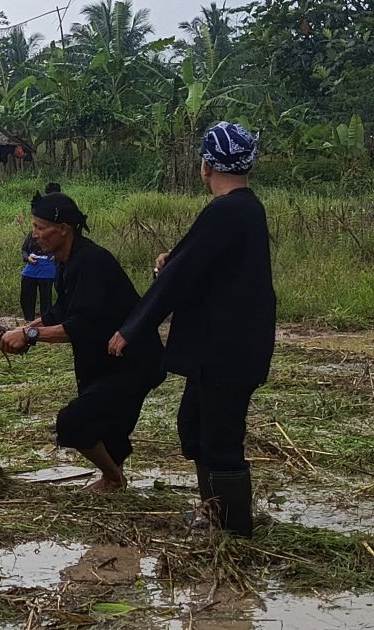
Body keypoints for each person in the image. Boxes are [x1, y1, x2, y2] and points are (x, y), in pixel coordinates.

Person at [107, 122, 275, 537]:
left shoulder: (226, 210)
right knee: (197, 424)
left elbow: (180, 276)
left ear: (205, 166)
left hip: (226, 351)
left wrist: (133, 327)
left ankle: (233, 528)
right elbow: (194, 263)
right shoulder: (244, 209)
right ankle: (213, 510)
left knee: (219, 435)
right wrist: (173, 261)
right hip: (229, 347)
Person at [0, 191, 165, 493]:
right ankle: (112, 481)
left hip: (135, 360)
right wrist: (24, 330)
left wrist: (29, 334)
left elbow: (82, 326)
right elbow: (60, 312)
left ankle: (114, 479)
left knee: (73, 422)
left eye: (39, 227)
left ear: (63, 228)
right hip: (107, 359)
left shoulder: (91, 262)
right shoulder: (66, 262)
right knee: (109, 425)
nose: (34, 235)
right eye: (33, 227)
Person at [19, 182, 62, 321]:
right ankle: (28, 319)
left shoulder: (61, 218)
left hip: (48, 264)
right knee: (26, 293)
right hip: (32, 265)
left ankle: (46, 321)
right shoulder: (32, 233)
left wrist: (56, 255)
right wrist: (27, 258)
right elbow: (24, 249)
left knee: (46, 297)